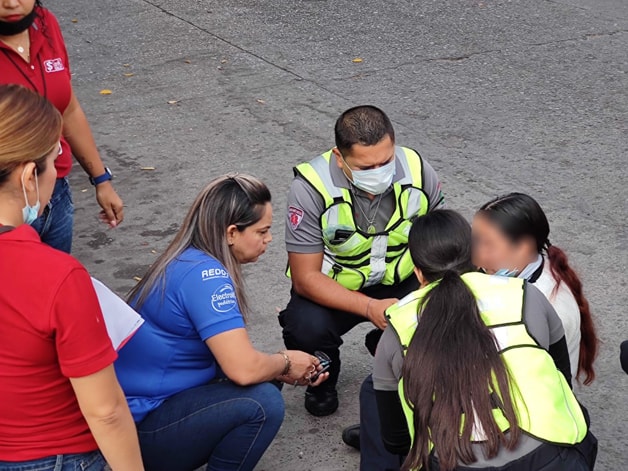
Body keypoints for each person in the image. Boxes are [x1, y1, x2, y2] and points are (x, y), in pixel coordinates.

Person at [114, 174, 329, 471]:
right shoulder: (208, 278)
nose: (269, 240)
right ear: (231, 233)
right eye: (262, 231)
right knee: (262, 403)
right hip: (141, 428)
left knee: (265, 378)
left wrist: (276, 368)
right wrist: (285, 362)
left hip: (135, 415)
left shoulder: (187, 259)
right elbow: (242, 369)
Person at [374, 209, 597, 471]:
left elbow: (395, 439)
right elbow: (561, 381)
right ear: (473, 256)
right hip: (554, 454)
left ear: (419, 273)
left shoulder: (396, 328)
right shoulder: (525, 294)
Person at [0, 84, 143, 470]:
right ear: (29, 176)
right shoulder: (57, 275)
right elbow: (106, 411)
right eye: (54, 161)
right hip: (54, 456)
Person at [279, 105, 445, 419]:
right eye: (366, 167)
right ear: (339, 159)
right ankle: (323, 372)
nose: (380, 172)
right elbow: (305, 278)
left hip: (404, 278)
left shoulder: (417, 168)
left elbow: (441, 237)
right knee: (304, 327)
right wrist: (370, 308)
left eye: (386, 162)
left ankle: (391, 350)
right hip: (336, 288)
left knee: (448, 304)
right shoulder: (310, 189)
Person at [0, 0, 124, 253]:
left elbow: (68, 109)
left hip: (55, 194)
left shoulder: (45, 24)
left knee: (54, 281)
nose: (11, 3)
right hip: (7, 201)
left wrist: (101, 179)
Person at [472, 192, 598, 384]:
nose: (478, 255)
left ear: (523, 247)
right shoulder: (516, 269)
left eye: (489, 244)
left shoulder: (550, 306)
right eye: (477, 240)